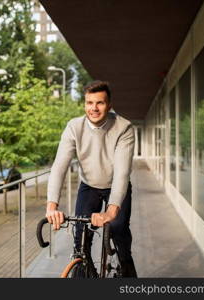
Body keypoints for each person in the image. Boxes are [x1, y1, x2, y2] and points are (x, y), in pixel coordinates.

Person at [45, 80, 137, 277]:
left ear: (109, 105)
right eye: (89, 103)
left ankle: (128, 270)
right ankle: (87, 272)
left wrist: (111, 213)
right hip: (89, 185)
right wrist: (51, 206)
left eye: (100, 103)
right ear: (84, 104)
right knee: (81, 238)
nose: (94, 108)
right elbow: (59, 166)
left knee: (119, 229)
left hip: (115, 186)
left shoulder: (124, 128)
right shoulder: (73, 127)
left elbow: (122, 173)